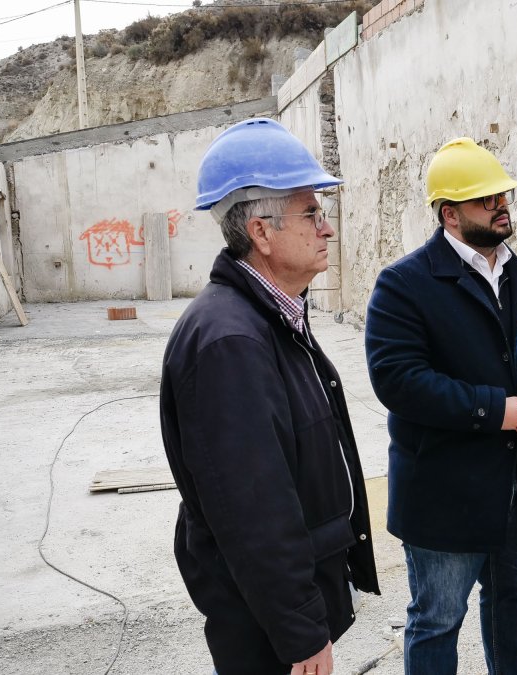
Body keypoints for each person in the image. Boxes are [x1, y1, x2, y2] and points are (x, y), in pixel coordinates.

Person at [160, 117, 379, 675]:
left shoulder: (266, 317)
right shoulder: (230, 342)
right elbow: (253, 510)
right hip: (261, 626)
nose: (326, 229)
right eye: (311, 214)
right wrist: (300, 630)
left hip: (270, 611)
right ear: (261, 232)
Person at [364, 137, 517, 674]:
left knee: (510, 600)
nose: (501, 206)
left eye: (503, 195)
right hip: (446, 493)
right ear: (450, 214)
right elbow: (398, 380)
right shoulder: (403, 284)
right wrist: (495, 410)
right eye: (487, 199)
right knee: (437, 619)